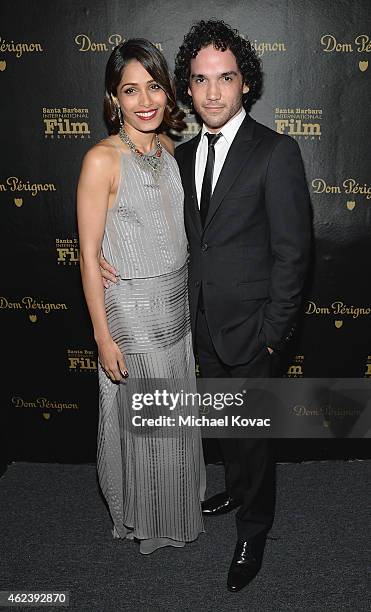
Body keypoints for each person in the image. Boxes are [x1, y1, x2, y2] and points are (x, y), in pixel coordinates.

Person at [100, 20, 311, 591]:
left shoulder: (276, 151)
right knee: (225, 428)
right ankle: (238, 489)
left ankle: (254, 527)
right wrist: (100, 256)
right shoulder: (179, 154)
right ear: (186, 91)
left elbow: (293, 253)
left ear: (246, 84)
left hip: (254, 329)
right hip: (199, 328)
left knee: (254, 435)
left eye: (226, 78)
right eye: (200, 80)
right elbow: (152, 223)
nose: (213, 92)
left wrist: (274, 333)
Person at [77, 39, 205, 555]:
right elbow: (88, 257)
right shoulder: (101, 161)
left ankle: (176, 509)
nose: (145, 100)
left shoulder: (170, 151)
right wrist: (102, 336)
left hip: (175, 310)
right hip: (131, 314)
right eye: (131, 89)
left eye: (154, 86)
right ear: (115, 97)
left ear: (168, 92)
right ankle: (145, 522)